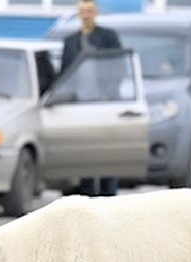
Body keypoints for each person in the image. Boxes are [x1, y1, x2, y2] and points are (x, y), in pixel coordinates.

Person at [61, 0, 121, 197]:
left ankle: (108, 194)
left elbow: (118, 66)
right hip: (80, 105)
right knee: (85, 153)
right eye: (82, 11)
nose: (86, 15)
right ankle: (87, 194)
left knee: (108, 152)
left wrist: (108, 93)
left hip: (104, 103)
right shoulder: (71, 41)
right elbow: (65, 73)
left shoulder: (108, 37)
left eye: (90, 11)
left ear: (95, 13)